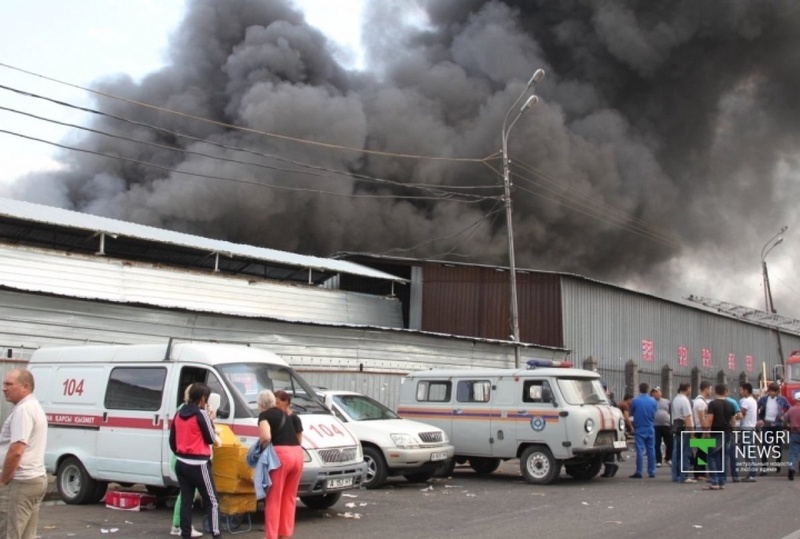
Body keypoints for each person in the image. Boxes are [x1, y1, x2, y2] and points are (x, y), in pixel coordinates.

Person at [0, 369, 48, 539]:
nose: (4, 388)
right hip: (35, 479)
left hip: (20, 482)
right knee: (26, 535)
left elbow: (16, 450)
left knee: (9, 534)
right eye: (4, 384)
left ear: (26, 386)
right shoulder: (33, 407)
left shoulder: (24, 410)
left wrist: (3, 480)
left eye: (9, 384)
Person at [169, 383, 221, 539]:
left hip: (181, 462)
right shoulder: (201, 414)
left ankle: (186, 534)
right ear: (203, 398)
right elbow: (211, 438)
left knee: (186, 500)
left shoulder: (178, 414)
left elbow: (172, 441)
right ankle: (216, 534)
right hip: (198, 463)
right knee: (212, 501)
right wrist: (210, 419)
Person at [258, 390, 303, 539]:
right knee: (289, 497)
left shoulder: (264, 415)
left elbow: (266, 437)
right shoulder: (285, 414)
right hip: (297, 454)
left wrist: (259, 450)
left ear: (262, 404)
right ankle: (285, 533)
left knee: (274, 498)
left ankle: (271, 536)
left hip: (281, 457)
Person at [170, 384, 203, 537]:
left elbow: (173, 439)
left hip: (178, 457)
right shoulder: (189, 412)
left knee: (185, 494)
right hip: (187, 459)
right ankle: (179, 525)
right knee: (186, 495)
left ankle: (181, 526)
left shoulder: (180, 410)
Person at [703, 384, 735, 491]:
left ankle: (714, 481)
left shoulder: (712, 404)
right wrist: (732, 430)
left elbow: (710, 419)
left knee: (711, 456)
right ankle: (722, 482)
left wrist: (706, 431)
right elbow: (733, 420)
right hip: (728, 433)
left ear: (716, 391)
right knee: (724, 457)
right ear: (726, 392)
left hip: (716, 433)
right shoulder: (731, 404)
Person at [756, 382, 790, 475]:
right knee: (765, 447)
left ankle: (778, 465)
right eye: (770, 391)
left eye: (773, 392)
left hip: (777, 425)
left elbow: (789, 408)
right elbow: (756, 408)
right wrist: (759, 419)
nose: (771, 393)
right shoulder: (763, 399)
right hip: (766, 424)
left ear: (777, 392)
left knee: (778, 446)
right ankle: (764, 468)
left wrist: (785, 416)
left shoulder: (782, 399)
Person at [629, 383, 657, 479]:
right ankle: (652, 471)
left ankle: (639, 471)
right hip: (650, 427)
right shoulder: (653, 401)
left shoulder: (635, 401)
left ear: (639, 389)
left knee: (640, 450)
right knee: (651, 450)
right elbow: (654, 412)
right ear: (648, 389)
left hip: (639, 427)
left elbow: (631, 412)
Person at [670, 383, 695, 484]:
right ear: (687, 389)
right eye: (690, 389)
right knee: (685, 453)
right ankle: (684, 476)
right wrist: (692, 432)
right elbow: (688, 418)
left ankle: (675, 475)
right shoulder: (685, 400)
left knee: (676, 453)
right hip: (684, 429)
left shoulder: (675, 399)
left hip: (677, 428)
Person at [737, 383, 758, 482]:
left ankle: (752, 474)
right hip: (751, 428)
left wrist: (732, 417)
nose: (740, 392)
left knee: (747, 451)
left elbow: (741, 414)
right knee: (750, 451)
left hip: (746, 429)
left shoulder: (746, 401)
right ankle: (752, 472)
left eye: (741, 390)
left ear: (746, 390)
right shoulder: (753, 400)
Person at [691, 381, 712, 477]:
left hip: (700, 430)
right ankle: (699, 473)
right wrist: (706, 431)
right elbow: (702, 418)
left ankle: (701, 471)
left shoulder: (699, 401)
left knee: (702, 452)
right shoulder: (700, 403)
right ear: (706, 389)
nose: (711, 391)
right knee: (701, 452)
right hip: (701, 430)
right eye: (710, 389)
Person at [600, 382, 619, 477]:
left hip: (606, 427)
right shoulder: (609, 400)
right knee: (609, 449)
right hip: (611, 427)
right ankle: (610, 467)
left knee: (608, 450)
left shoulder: (605, 400)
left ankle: (610, 468)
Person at [651, 387, 673, 468]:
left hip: (666, 425)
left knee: (670, 443)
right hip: (655, 425)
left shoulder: (667, 402)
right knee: (657, 444)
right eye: (655, 392)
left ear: (661, 393)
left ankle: (668, 458)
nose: (656, 393)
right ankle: (658, 460)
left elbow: (671, 412)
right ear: (652, 394)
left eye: (658, 392)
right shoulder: (651, 402)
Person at [784, 397, 800, 481]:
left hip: (794, 433)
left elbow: (785, 418)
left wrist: (787, 426)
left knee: (793, 453)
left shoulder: (791, 409)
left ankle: (791, 467)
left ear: (795, 400)